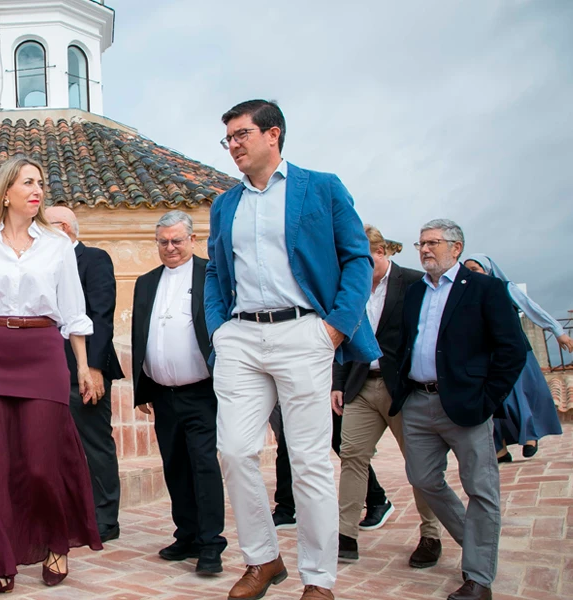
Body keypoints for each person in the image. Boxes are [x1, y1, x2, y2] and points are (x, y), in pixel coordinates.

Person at [205, 99, 378, 600]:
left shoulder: (321, 188)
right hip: (240, 337)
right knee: (234, 451)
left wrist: (335, 329)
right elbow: (217, 270)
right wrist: (219, 329)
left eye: (241, 135)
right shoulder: (224, 204)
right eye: (228, 139)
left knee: (308, 461)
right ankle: (263, 559)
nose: (233, 146)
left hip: (304, 333)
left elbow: (356, 258)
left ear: (272, 134)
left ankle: (319, 579)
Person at [0, 156, 103, 599]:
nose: (38, 190)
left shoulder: (57, 245)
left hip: (42, 353)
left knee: (40, 462)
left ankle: (56, 540)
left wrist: (83, 366)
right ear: (6, 191)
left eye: (41, 183)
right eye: (28, 182)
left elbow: (73, 312)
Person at [390, 219, 527, 600]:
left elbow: (512, 350)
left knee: (480, 489)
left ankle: (479, 578)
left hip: (467, 405)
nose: (425, 250)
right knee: (422, 478)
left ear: (457, 247)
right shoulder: (415, 292)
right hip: (418, 402)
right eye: (421, 244)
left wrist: (488, 398)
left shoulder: (486, 289)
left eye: (433, 242)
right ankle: (476, 542)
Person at [333, 224, 442, 566]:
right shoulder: (350, 287)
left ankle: (431, 535)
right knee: (352, 456)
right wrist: (337, 382)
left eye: (362, 259)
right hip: (361, 385)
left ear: (380, 252)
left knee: (419, 464)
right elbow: (340, 335)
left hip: (404, 389)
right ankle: (345, 535)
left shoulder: (413, 283)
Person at [131, 210, 227, 575]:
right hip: (162, 395)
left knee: (203, 466)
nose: (170, 248)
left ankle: (211, 544)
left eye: (176, 240)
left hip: (202, 391)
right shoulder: (145, 282)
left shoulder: (211, 275)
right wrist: (143, 389)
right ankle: (186, 533)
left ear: (192, 240)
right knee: (174, 466)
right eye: (163, 242)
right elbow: (142, 334)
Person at [45, 206, 125, 543]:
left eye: (43, 227)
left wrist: (91, 367)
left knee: (93, 443)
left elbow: (102, 314)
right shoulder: (45, 264)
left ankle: (105, 519)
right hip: (47, 368)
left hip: (85, 368)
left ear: (63, 227)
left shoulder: (93, 259)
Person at [462, 253, 570, 461]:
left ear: (488, 271)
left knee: (520, 396)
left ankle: (530, 436)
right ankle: (499, 448)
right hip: (484, 357)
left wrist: (558, 331)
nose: (471, 275)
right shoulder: (465, 294)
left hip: (514, 353)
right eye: (468, 271)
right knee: (492, 403)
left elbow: (533, 309)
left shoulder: (505, 288)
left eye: (475, 270)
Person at [267, 406, 389, 532]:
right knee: (286, 445)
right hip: (286, 394)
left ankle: (377, 499)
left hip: (320, 392)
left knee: (343, 444)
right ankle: (287, 508)